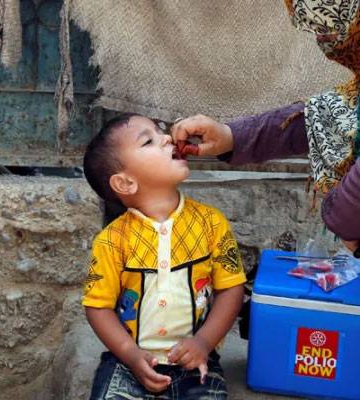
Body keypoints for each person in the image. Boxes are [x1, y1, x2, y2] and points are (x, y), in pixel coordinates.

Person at [171, 0, 360, 260]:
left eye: (329, 27)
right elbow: (341, 112)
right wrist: (233, 136)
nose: (327, 45)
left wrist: (346, 219)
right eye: (314, 30)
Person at [82, 113, 246, 399]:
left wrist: (204, 343)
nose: (167, 137)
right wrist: (130, 355)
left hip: (196, 361)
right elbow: (98, 307)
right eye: (148, 140)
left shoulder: (211, 224)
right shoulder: (111, 241)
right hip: (128, 363)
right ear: (125, 183)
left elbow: (231, 288)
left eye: (160, 132)